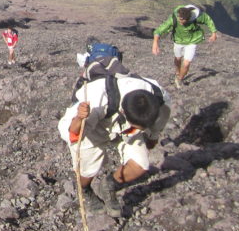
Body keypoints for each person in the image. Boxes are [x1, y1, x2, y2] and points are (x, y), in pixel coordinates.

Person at [58, 58, 171, 218]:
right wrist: (79, 119)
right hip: (97, 126)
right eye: (136, 126)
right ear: (124, 112)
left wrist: (151, 137)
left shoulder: (160, 98)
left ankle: (109, 185)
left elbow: (156, 130)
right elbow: (70, 133)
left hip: (125, 126)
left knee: (140, 165)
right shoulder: (96, 97)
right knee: (87, 169)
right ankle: (84, 190)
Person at [152, 4, 218, 85]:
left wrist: (213, 32)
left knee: (186, 64)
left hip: (192, 41)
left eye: (182, 20)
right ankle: (177, 73)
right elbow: (159, 30)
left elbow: (207, 20)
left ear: (188, 18)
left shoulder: (196, 17)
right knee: (178, 59)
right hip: (178, 41)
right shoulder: (174, 18)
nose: (180, 21)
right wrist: (155, 44)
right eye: (179, 19)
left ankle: (180, 79)